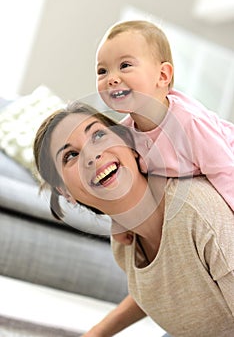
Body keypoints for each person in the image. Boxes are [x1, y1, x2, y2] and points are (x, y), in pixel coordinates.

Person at [33, 101, 234, 337]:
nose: (92, 155)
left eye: (98, 135)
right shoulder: (124, 240)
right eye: (71, 155)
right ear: (66, 193)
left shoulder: (198, 215)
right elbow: (168, 286)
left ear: (128, 143)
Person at [96, 20, 234, 218]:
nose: (111, 78)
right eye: (102, 71)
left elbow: (226, 171)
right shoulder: (124, 135)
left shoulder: (189, 122)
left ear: (162, 75)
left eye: (125, 65)